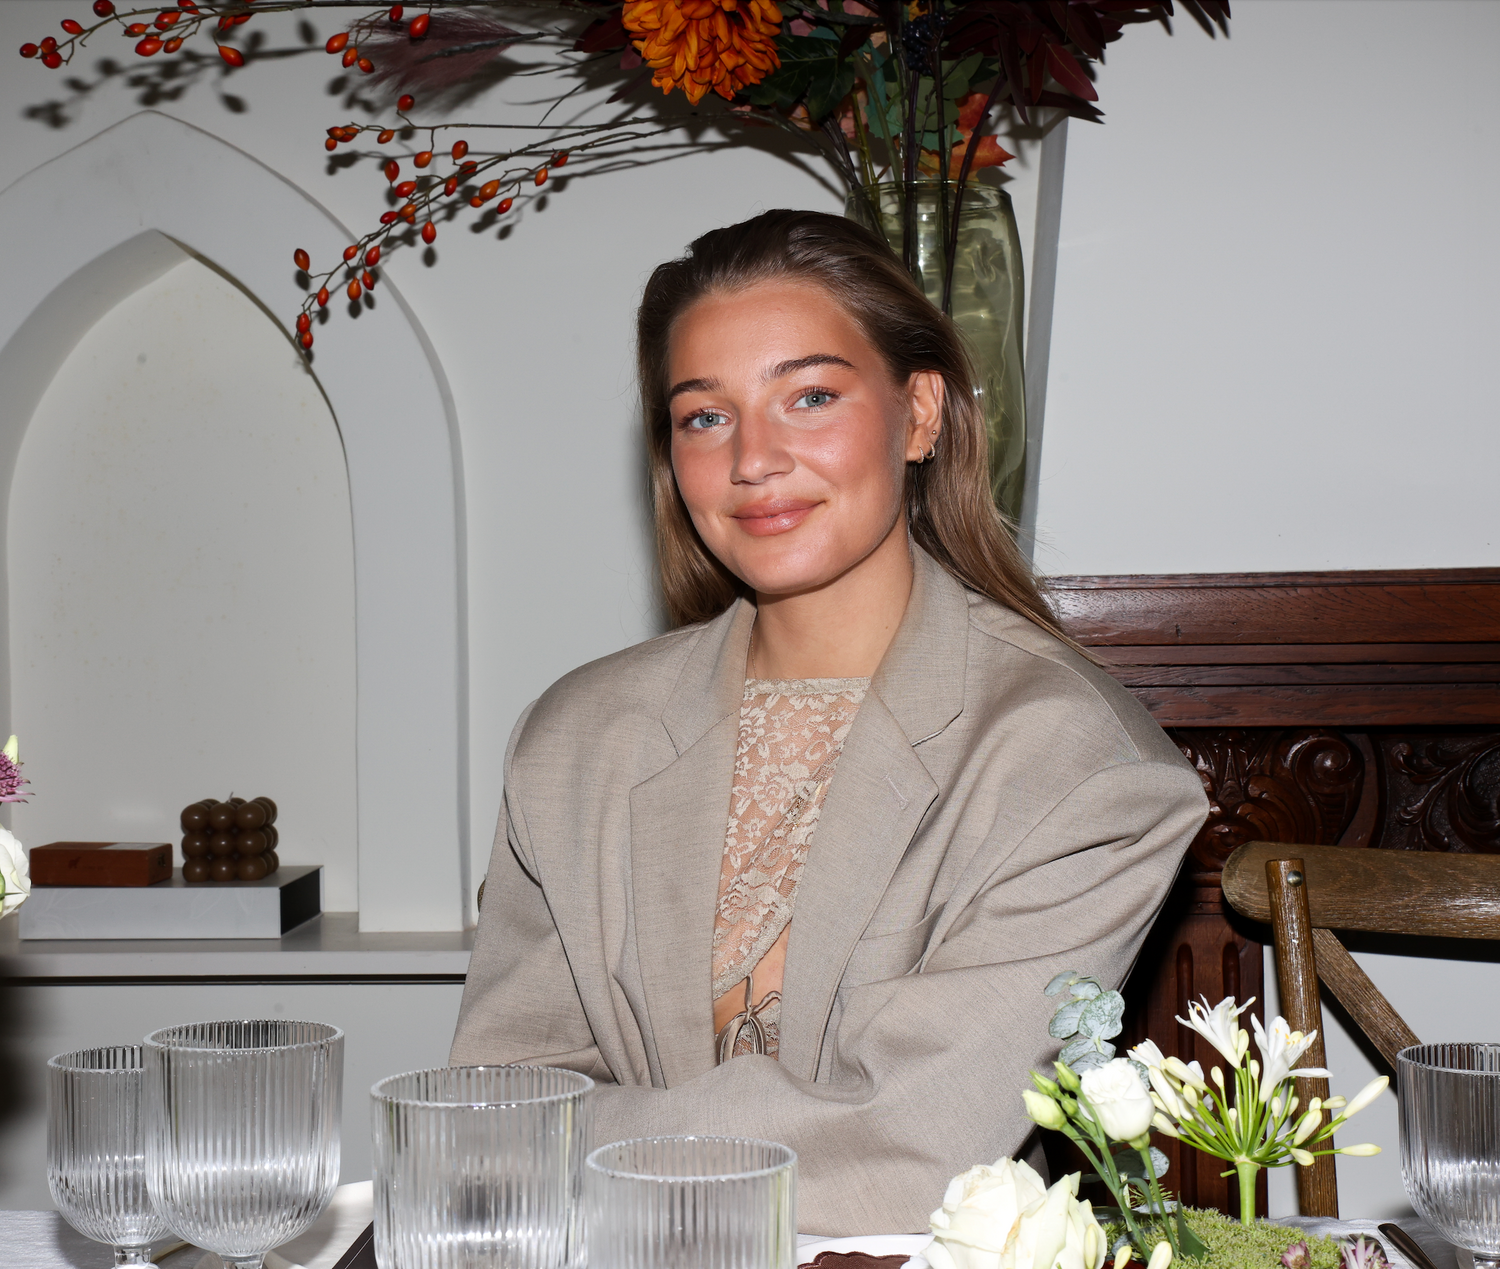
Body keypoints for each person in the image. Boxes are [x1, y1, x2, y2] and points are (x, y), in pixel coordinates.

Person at [450, 209, 1208, 1234]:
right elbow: (493, 1113)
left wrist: (578, 1137)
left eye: (808, 396)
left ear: (922, 412)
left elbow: (904, 1151)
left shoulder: (1079, 770)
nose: (752, 460)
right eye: (704, 417)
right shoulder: (573, 742)